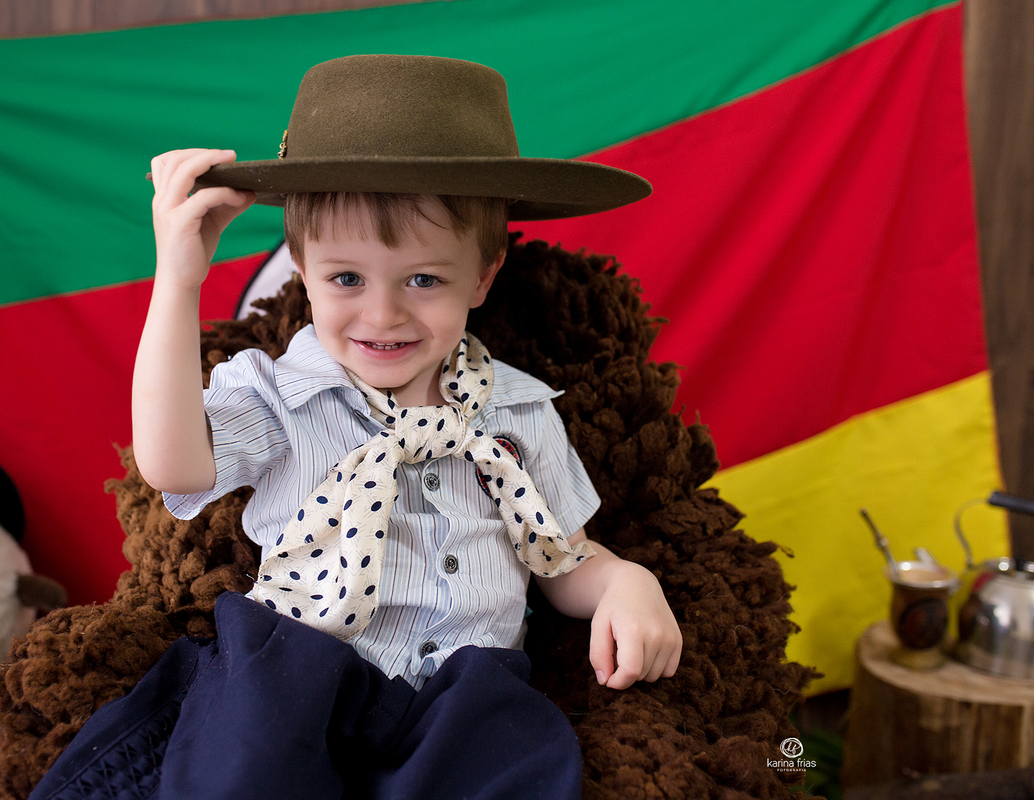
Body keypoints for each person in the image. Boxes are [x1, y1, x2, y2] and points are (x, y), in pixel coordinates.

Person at [36, 55, 682, 800]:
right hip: (296, 675)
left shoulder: (517, 411)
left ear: (483, 274)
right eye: (347, 279)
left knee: (525, 776)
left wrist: (624, 581)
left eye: (424, 280)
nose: (382, 316)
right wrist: (177, 281)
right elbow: (173, 466)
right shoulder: (282, 396)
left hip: (465, 697)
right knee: (239, 775)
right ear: (301, 270)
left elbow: (561, 556)